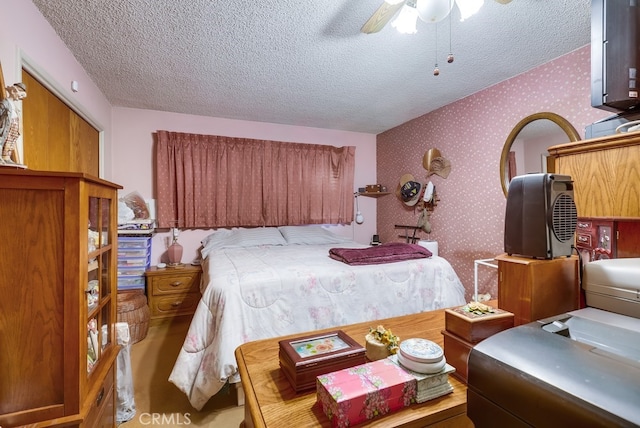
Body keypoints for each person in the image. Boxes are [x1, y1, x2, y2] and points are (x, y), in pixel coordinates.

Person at [0, 82, 27, 165]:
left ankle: (6, 157)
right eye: (19, 96)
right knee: (3, 141)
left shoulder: (14, 106)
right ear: (13, 92)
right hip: (7, 128)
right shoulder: (5, 103)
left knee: (10, 143)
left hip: (13, 129)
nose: (19, 98)